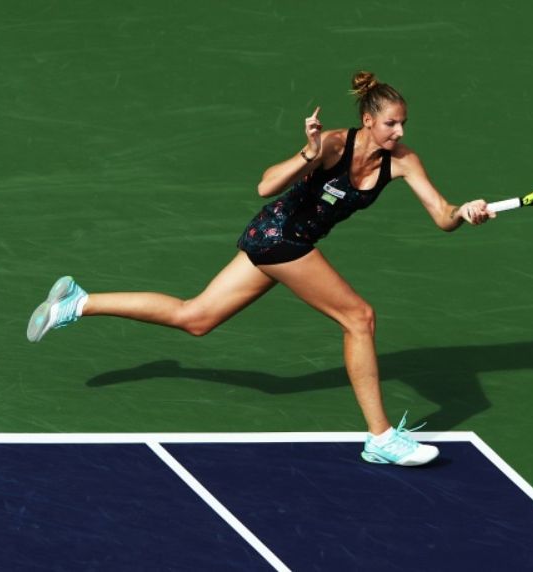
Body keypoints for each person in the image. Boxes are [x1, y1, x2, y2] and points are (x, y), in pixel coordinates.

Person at [26, 71, 495, 466]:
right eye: (391, 123)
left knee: (195, 317)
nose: (400, 132)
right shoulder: (332, 144)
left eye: (404, 123)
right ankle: (381, 438)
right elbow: (266, 186)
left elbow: (442, 216)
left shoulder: (403, 162)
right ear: (368, 120)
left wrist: (464, 212)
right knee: (359, 317)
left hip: (285, 242)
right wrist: (309, 152)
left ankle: (77, 303)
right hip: (277, 235)